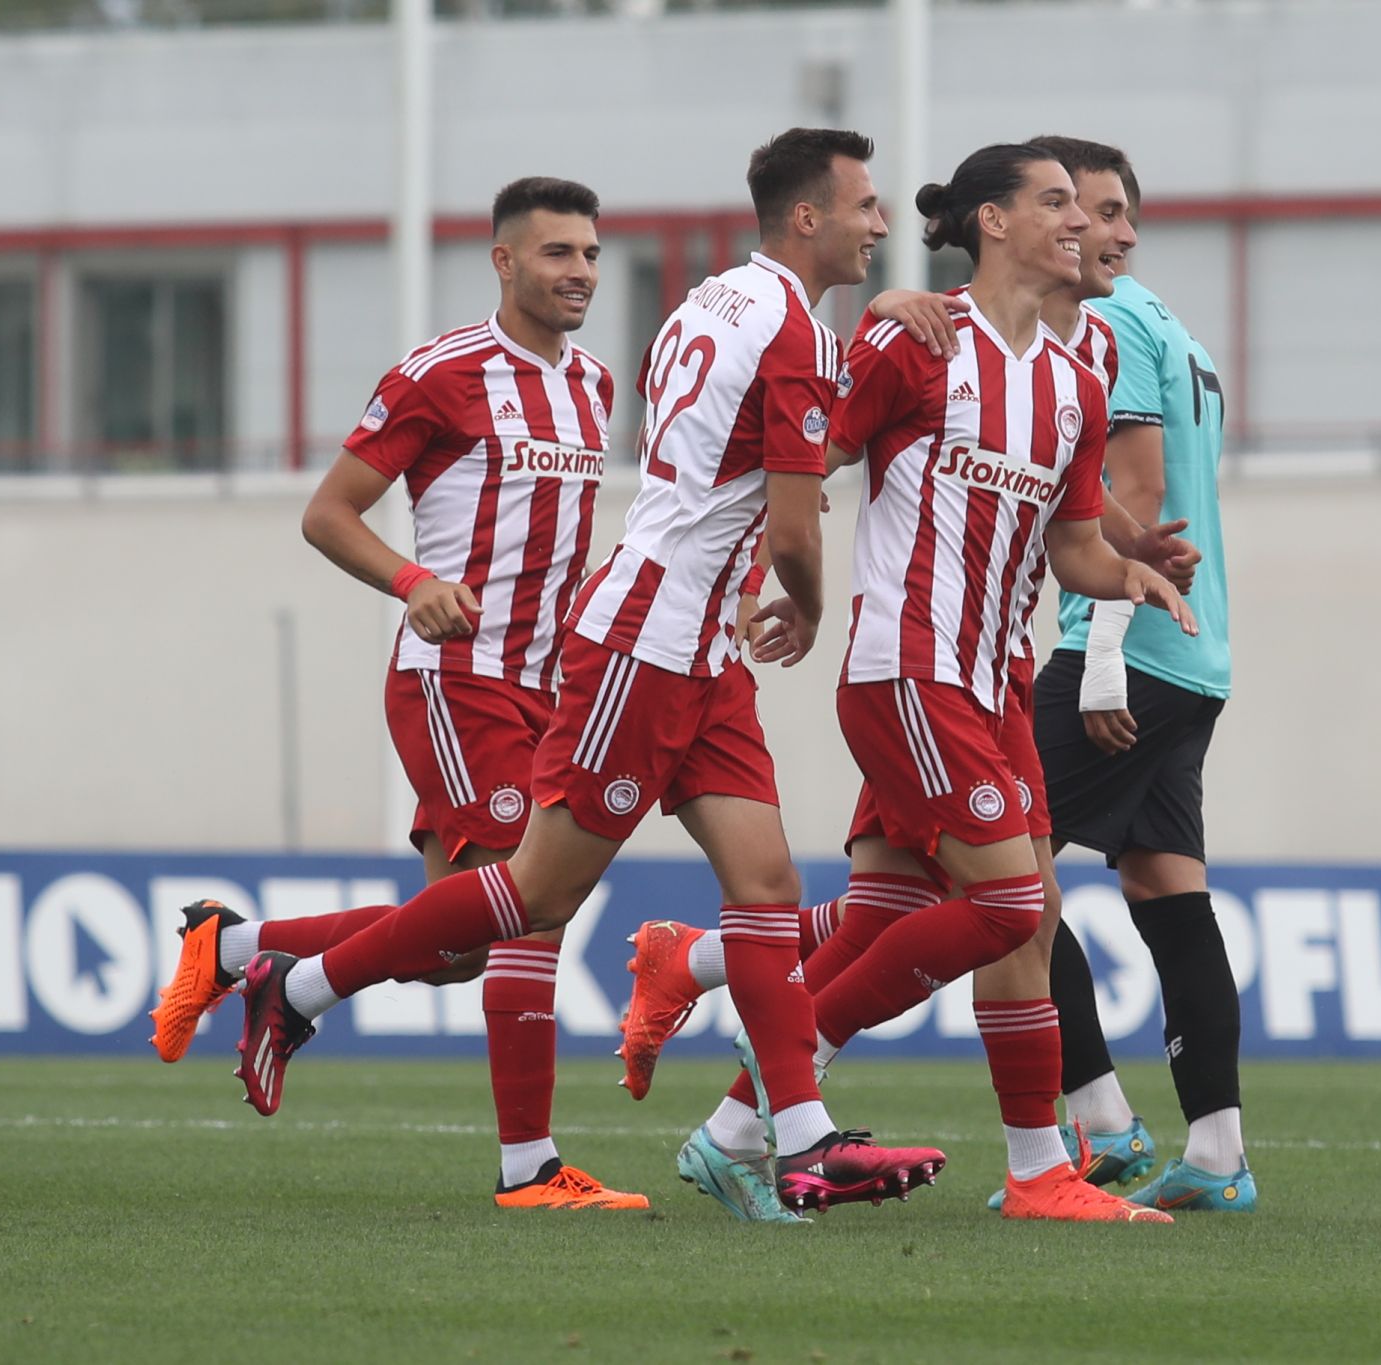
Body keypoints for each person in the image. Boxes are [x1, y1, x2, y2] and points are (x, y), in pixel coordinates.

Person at [224, 128, 946, 1227]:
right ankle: (299, 985)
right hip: (643, 640)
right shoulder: (784, 329)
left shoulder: (711, 303)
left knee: (763, 885)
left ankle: (801, 1140)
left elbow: (771, 420)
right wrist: (803, 601)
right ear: (808, 217)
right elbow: (797, 523)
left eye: (590, 253)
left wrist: (879, 313)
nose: (881, 223)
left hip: (693, 647)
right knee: (535, 895)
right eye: (866, 206)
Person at [700, 142, 1194, 1224]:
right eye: (1057, 202)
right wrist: (773, 581)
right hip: (909, 670)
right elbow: (806, 455)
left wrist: (1132, 575)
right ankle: (776, 1087)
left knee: (1019, 918)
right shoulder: (916, 342)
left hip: (994, 684)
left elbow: (1074, 549)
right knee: (1008, 902)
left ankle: (1028, 1170)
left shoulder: (1075, 383)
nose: (1082, 222)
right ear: (992, 222)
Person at [147, 176, 643, 1211]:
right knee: (530, 911)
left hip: (548, 688)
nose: (581, 273)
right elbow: (329, 513)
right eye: (557, 252)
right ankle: (529, 1168)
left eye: (592, 254)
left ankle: (235, 950)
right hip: (460, 680)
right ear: (504, 261)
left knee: (456, 949)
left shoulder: (595, 384)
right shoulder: (439, 374)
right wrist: (414, 582)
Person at [1031, 146, 1257, 1214]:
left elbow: (1138, 492)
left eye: (1119, 213)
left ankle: (1101, 1122)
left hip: (1126, 652)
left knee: (989, 870)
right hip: (1197, 658)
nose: (1118, 233)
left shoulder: (1110, 320)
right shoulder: (1165, 320)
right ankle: (1216, 1154)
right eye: (1101, 212)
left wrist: (1106, 653)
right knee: (1167, 890)